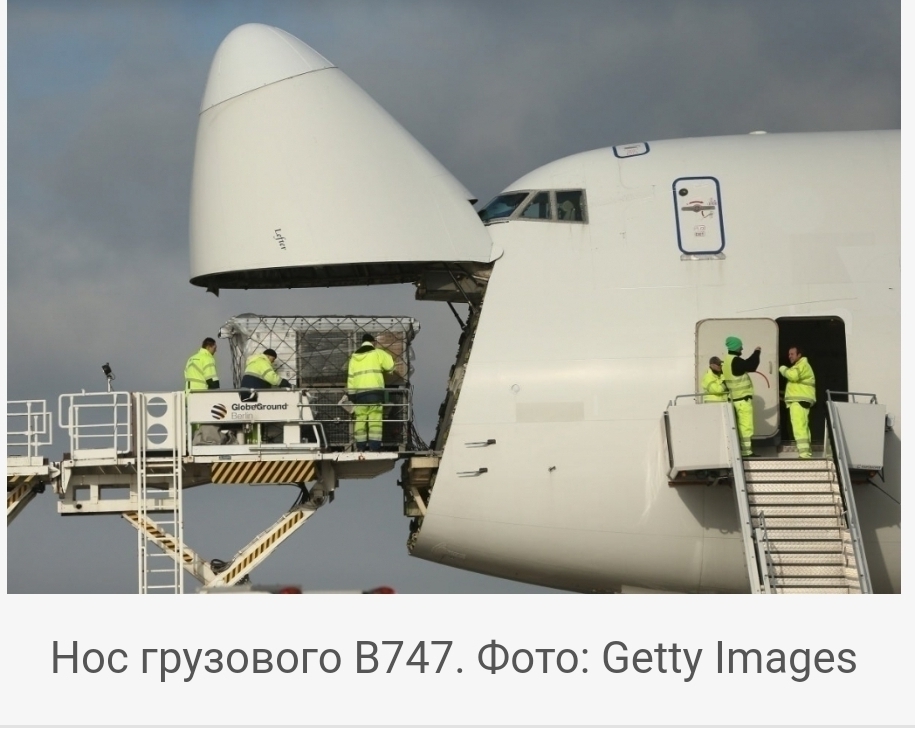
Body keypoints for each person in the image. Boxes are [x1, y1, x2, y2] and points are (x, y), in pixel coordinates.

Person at [347, 333, 394, 452]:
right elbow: (390, 366)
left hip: (359, 395)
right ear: (373, 342)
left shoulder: (353, 357)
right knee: (375, 421)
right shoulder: (377, 353)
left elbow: (351, 377)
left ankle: (360, 446)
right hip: (375, 392)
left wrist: (352, 394)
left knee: (360, 419)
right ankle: (374, 446)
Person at [721, 336, 761, 457]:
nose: (742, 348)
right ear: (736, 347)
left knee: (736, 427)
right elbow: (751, 366)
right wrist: (757, 352)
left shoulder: (726, 361)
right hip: (742, 401)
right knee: (745, 427)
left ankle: (738, 450)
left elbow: (746, 364)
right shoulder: (736, 361)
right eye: (740, 346)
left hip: (733, 400)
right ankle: (747, 451)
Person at [779, 346, 816, 459]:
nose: (789, 356)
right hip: (801, 400)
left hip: (799, 401)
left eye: (792, 354)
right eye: (789, 354)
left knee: (799, 427)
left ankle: (804, 454)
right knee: (803, 427)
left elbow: (793, 376)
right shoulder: (800, 365)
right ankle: (806, 452)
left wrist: (782, 369)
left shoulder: (801, 365)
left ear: (799, 355)